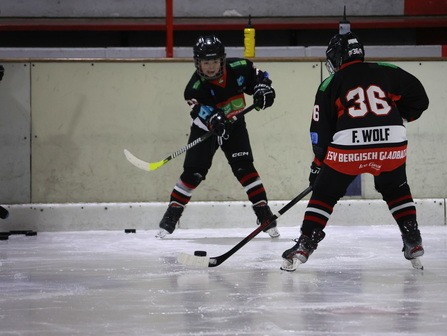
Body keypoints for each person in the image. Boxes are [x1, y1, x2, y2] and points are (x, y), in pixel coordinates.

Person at [281, 32, 429, 271]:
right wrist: (399, 116)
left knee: (325, 194)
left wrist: (318, 165)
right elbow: (420, 99)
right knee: (396, 188)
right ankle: (412, 239)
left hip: (349, 146)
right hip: (391, 141)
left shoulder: (331, 83)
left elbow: (320, 133)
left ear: (337, 58)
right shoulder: (387, 69)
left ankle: (305, 244)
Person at [156, 34, 279, 239]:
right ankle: (172, 214)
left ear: (221, 59)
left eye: (214, 61)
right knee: (193, 173)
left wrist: (263, 90)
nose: (211, 66)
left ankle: (264, 214)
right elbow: (201, 112)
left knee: (244, 168)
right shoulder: (193, 88)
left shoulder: (240, 67)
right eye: (206, 62)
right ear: (198, 63)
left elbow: (260, 78)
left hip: (234, 124)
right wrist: (214, 120)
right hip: (206, 129)